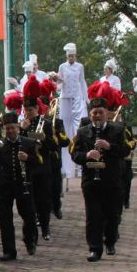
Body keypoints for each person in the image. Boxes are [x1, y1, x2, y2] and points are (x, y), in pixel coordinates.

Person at [70, 95, 129, 262]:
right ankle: (94, 249)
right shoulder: (82, 132)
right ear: (90, 114)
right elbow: (74, 154)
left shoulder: (117, 130)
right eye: (94, 113)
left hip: (112, 180)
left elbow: (125, 150)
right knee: (93, 216)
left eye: (100, 112)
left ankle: (110, 241)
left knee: (113, 215)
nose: (97, 116)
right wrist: (87, 155)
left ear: (107, 114)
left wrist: (109, 147)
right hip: (91, 181)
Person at [0, 94, 40, 261]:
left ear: (18, 127)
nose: (10, 131)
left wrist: (28, 159)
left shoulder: (28, 143)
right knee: (5, 219)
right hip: (5, 185)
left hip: (23, 184)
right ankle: (9, 251)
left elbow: (38, 163)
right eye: (7, 128)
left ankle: (30, 240)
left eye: (13, 127)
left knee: (29, 215)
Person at [20, 76, 55, 241]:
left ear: (37, 109)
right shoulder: (22, 125)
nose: (28, 113)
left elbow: (54, 145)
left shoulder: (46, 124)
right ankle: (32, 230)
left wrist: (43, 139)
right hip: (28, 167)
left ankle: (46, 228)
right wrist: (22, 131)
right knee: (30, 201)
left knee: (44, 200)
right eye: (26, 110)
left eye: (31, 110)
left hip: (43, 166)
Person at [57, 43, 88, 179]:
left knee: (77, 126)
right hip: (65, 97)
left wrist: (86, 98)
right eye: (69, 56)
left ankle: (79, 165)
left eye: (73, 56)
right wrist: (57, 82)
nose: (71, 58)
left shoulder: (80, 67)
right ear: (66, 56)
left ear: (75, 56)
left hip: (76, 97)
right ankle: (66, 167)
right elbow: (58, 83)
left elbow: (82, 82)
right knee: (64, 125)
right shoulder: (62, 67)